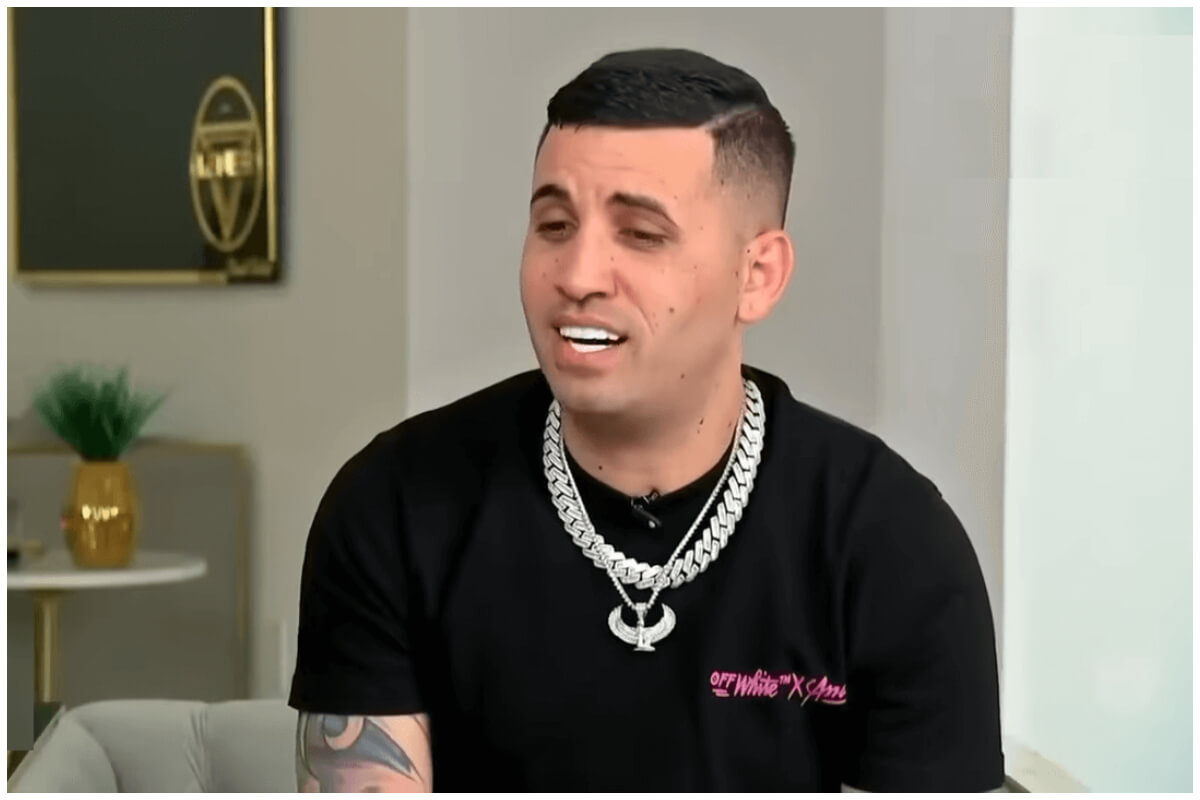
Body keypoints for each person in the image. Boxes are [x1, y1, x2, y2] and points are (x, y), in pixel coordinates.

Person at [288, 47, 1004, 792]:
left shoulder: (892, 542)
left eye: (641, 234)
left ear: (758, 276)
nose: (577, 276)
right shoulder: (395, 506)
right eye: (555, 225)